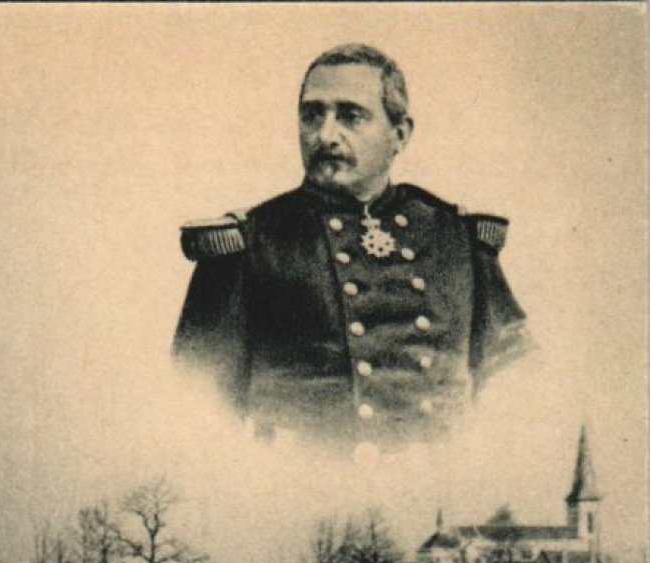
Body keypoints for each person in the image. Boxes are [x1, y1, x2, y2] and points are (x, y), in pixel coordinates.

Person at [172, 44, 533, 463]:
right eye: (312, 115)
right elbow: (197, 414)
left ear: (400, 135)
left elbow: (517, 386)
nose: (326, 135)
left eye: (350, 115)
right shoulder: (246, 245)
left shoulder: (459, 241)